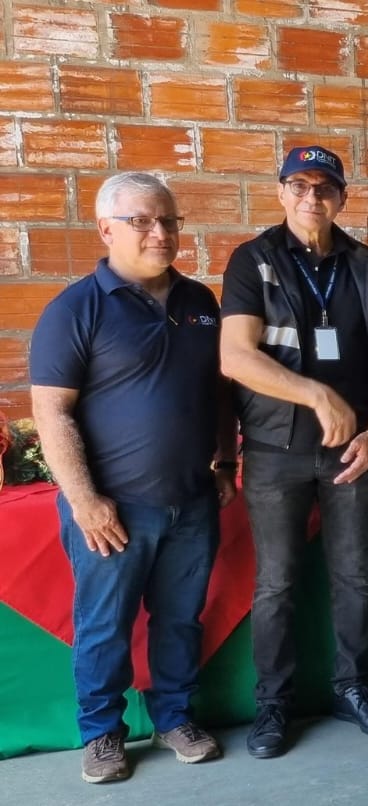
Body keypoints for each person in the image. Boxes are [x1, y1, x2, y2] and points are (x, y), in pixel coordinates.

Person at [29, 172, 234, 783]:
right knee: (104, 627)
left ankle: (175, 718)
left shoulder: (200, 302)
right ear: (106, 229)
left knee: (180, 619)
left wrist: (226, 460)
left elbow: (220, 391)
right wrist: (85, 500)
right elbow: (52, 412)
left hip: (192, 502)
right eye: (141, 220)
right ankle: (101, 734)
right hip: (112, 510)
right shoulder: (75, 310)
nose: (160, 232)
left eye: (168, 220)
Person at [220, 145, 368, 758]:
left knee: (355, 578)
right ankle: (273, 704)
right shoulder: (253, 260)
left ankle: (352, 688)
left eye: (324, 187)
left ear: (341, 198)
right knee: (276, 584)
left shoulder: (367, 263)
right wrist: (316, 394)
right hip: (276, 451)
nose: (311, 197)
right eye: (299, 185)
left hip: (354, 451)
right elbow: (235, 357)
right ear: (280, 192)